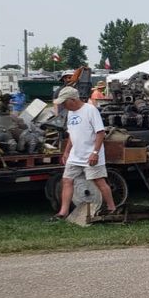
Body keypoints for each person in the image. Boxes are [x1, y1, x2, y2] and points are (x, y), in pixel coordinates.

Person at [50, 86, 117, 220]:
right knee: (67, 180)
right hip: (75, 155)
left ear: (73, 100)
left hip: (90, 155)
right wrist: (67, 151)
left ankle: (112, 208)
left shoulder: (90, 110)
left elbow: (100, 133)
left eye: (64, 102)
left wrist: (95, 153)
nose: (63, 105)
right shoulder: (70, 113)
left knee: (99, 181)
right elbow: (72, 134)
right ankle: (63, 212)